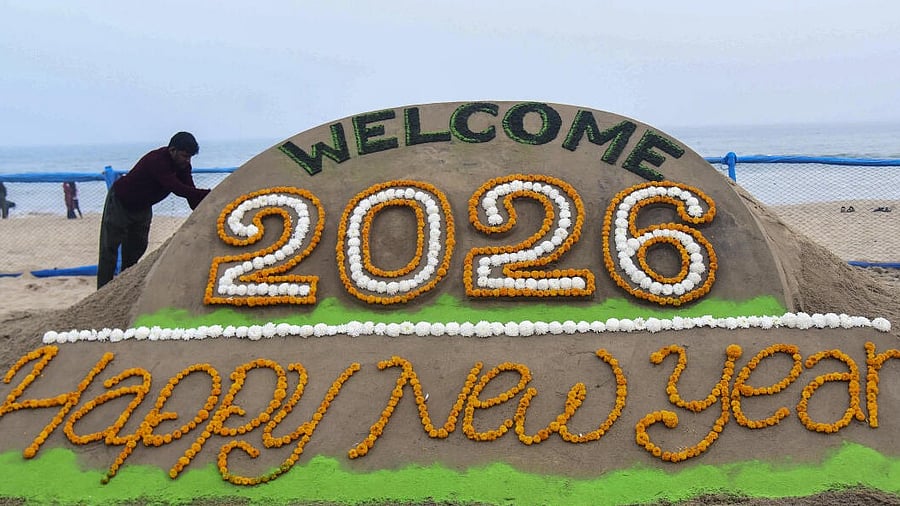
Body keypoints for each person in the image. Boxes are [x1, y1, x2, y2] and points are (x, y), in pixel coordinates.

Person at [97, 132, 211, 289]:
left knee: (136, 249)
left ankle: (123, 288)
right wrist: (208, 193)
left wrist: (206, 209)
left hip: (143, 207)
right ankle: (102, 291)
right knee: (109, 249)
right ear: (172, 150)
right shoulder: (157, 160)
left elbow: (190, 193)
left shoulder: (184, 166)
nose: (187, 160)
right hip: (121, 202)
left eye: (190, 157)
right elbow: (176, 188)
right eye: (185, 156)